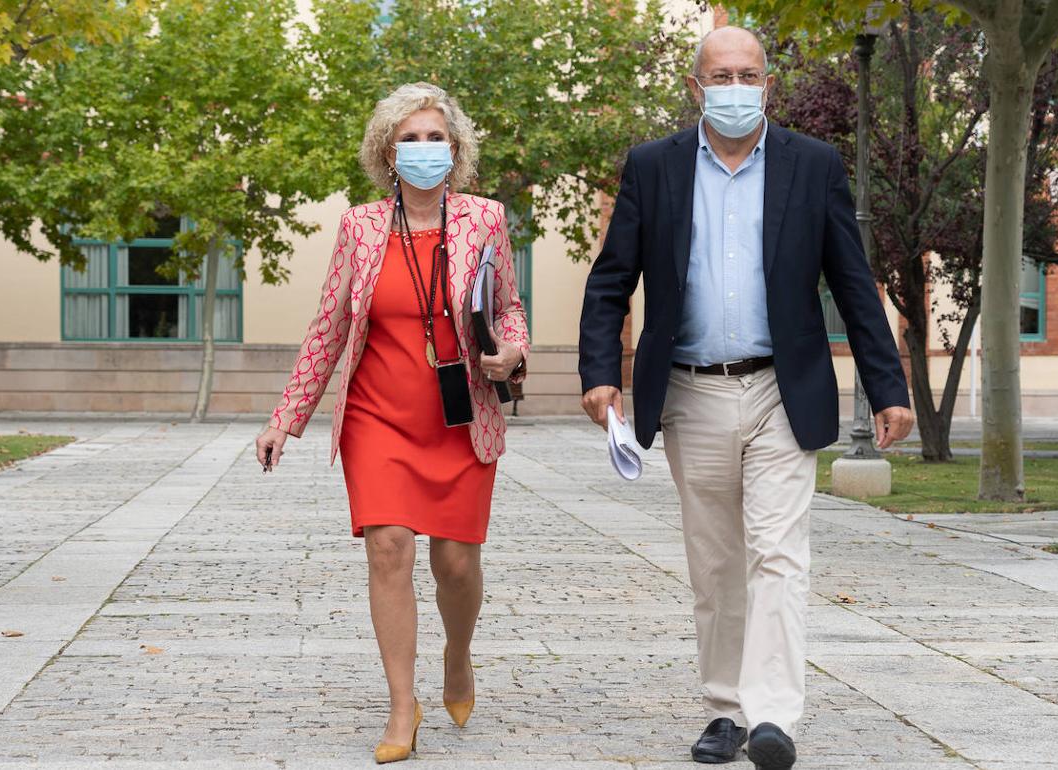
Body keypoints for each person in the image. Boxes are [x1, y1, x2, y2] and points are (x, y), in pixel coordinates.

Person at [578, 26, 915, 770]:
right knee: (717, 561)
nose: (736, 86)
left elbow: (854, 285)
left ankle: (771, 717)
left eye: (750, 74)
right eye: (721, 75)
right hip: (691, 394)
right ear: (697, 87)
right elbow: (610, 283)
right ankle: (725, 710)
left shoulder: (813, 166)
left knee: (777, 554)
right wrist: (600, 373)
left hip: (779, 389)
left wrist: (886, 385)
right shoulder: (653, 167)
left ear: (769, 84)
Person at [254, 82, 529, 764]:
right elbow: (330, 324)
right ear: (387, 151)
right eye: (411, 138)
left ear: (456, 150)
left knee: (456, 562)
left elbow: (511, 310)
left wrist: (513, 351)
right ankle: (402, 706)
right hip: (378, 415)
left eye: (437, 138)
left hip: (459, 416)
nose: (424, 149)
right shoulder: (361, 226)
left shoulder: (486, 219)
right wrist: (286, 418)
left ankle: (457, 658)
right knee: (389, 551)